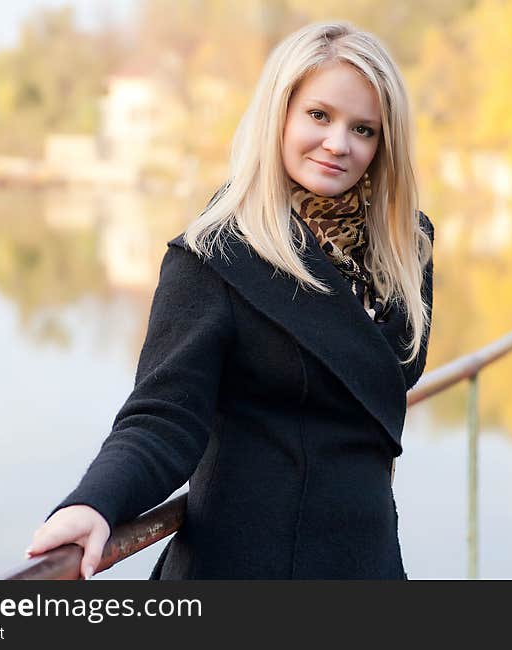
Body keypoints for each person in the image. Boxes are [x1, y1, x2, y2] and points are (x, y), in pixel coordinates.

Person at [25, 21, 434, 580]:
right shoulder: (216, 254)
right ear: (279, 114)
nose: (339, 144)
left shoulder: (404, 249)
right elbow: (163, 416)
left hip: (367, 558)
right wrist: (94, 502)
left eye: (363, 128)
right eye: (319, 115)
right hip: (249, 566)